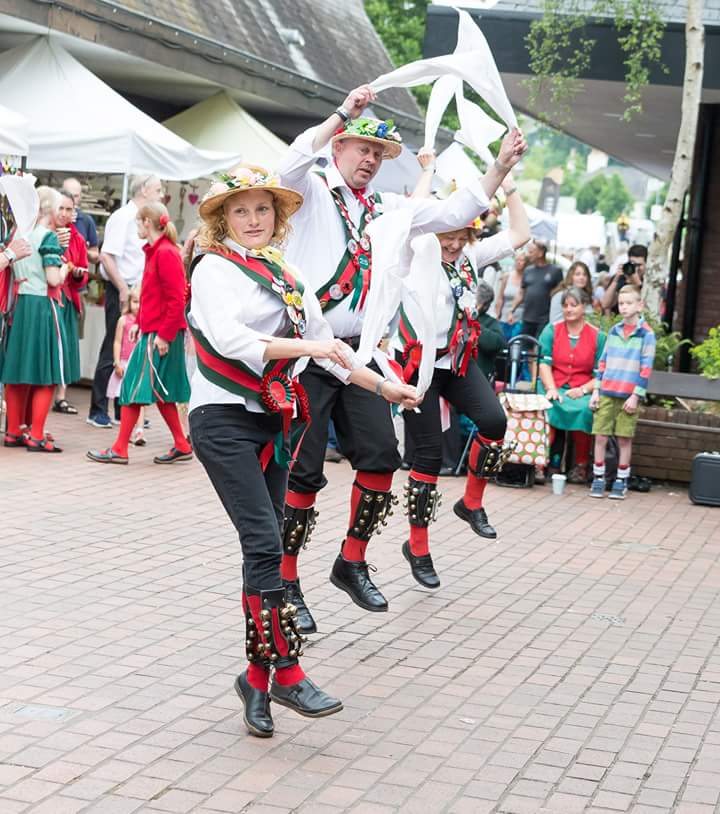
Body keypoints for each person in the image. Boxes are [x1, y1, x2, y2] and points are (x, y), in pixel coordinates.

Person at [277, 83, 527, 629]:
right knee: (303, 471)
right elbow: (289, 165)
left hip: (361, 357)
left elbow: (451, 211)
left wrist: (500, 169)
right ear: (338, 148)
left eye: (378, 154)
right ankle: (287, 582)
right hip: (310, 353)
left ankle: (352, 561)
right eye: (361, 148)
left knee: (381, 460)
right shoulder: (311, 193)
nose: (369, 160)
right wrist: (345, 111)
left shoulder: (390, 209)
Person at [185, 166, 419, 736]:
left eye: (262, 210)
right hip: (223, 421)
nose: (253, 220)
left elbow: (330, 347)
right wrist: (312, 344)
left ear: (277, 216)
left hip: (272, 423)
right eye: (240, 212)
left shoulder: (286, 272)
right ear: (222, 220)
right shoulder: (214, 269)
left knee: (262, 550)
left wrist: (384, 386)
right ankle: (286, 672)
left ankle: (255, 683)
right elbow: (232, 342)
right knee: (265, 544)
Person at [395, 170, 529, 588]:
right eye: (446, 235)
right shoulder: (415, 253)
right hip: (419, 364)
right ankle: (417, 546)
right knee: (429, 456)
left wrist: (508, 184)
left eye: (461, 235)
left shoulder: (470, 258)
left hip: (457, 360)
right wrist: (425, 174)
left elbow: (521, 233)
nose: (453, 243)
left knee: (494, 422)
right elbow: (407, 216)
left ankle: (471, 503)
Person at [87, 203, 192, 465]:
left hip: (161, 335)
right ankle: (181, 444)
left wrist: (164, 335)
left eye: (137, 222)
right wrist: (140, 324)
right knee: (159, 392)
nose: (136, 227)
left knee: (134, 386)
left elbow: (177, 300)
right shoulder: (158, 252)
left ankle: (120, 448)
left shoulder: (165, 253)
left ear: (147, 222)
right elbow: (154, 296)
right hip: (155, 331)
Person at [87, 174, 163, 428]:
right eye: (158, 189)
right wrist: (122, 288)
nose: (161, 195)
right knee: (114, 346)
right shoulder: (123, 217)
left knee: (134, 349)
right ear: (143, 189)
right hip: (124, 288)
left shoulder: (143, 220)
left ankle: (126, 409)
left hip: (140, 290)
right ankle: (98, 409)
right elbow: (107, 256)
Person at [0, 187, 69, 451]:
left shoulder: (15, 234)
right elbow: (53, 279)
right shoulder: (47, 237)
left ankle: (14, 431)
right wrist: (65, 267)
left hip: (19, 306)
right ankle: (37, 434)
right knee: (46, 373)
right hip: (42, 306)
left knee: (17, 370)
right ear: (49, 208)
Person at [589, 285, 656, 499]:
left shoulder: (647, 334)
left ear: (639, 305)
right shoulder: (614, 331)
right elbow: (603, 361)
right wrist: (596, 390)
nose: (624, 307)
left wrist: (636, 396)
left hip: (628, 396)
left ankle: (621, 479)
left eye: (629, 303)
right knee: (600, 435)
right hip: (607, 391)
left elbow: (646, 369)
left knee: (624, 438)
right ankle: (598, 477)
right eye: (621, 303)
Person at [538, 287, 605, 484]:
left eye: (574, 305)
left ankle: (581, 466)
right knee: (548, 407)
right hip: (554, 385)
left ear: (584, 307)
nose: (568, 309)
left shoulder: (598, 337)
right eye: (565, 306)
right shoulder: (552, 330)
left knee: (585, 409)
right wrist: (550, 388)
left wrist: (584, 389)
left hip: (582, 388)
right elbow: (544, 363)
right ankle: (541, 464)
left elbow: (601, 373)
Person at [53, 189, 89, 416]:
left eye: (69, 209)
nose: (65, 213)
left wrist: (77, 274)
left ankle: (61, 396)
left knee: (64, 347)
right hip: (45, 295)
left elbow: (83, 273)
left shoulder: (77, 238)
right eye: (61, 208)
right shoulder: (44, 232)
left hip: (67, 297)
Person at [106, 286, 145, 446]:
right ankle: (125, 428)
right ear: (129, 302)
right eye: (135, 301)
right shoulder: (124, 320)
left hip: (139, 365)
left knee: (139, 399)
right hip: (124, 363)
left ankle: (139, 431)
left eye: (141, 302)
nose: (138, 306)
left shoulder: (146, 322)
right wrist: (116, 362)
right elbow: (117, 341)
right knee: (124, 398)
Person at [509, 239, 563, 337]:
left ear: (540, 253)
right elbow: (521, 293)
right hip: (527, 318)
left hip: (545, 320)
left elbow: (559, 294)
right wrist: (512, 310)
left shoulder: (555, 271)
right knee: (525, 348)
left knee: (539, 348)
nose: (528, 255)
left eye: (531, 252)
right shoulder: (528, 271)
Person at [61, 178, 100, 264]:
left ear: (80, 196)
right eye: (69, 195)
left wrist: (82, 250)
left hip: (77, 275)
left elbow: (95, 256)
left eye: (76, 196)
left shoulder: (86, 220)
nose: (72, 200)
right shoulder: (52, 217)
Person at [602, 244, 647, 314]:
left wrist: (638, 284)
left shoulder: (649, 282)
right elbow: (605, 304)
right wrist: (616, 279)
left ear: (646, 264)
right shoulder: (620, 277)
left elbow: (647, 309)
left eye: (639, 265)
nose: (636, 268)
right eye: (633, 264)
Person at [475, 280, 506, 380]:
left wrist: (472, 324)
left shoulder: (490, 322)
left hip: (479, 377)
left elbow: (497, 344)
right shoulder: (456, 317)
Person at [496, 252, 526, 340]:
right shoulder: (507, 276)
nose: (519, 262)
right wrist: (497, 315)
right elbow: (500, 297)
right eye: (517, 260)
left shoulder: (527, 277)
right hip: (504, 317)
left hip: (520, 318)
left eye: (522, 260)